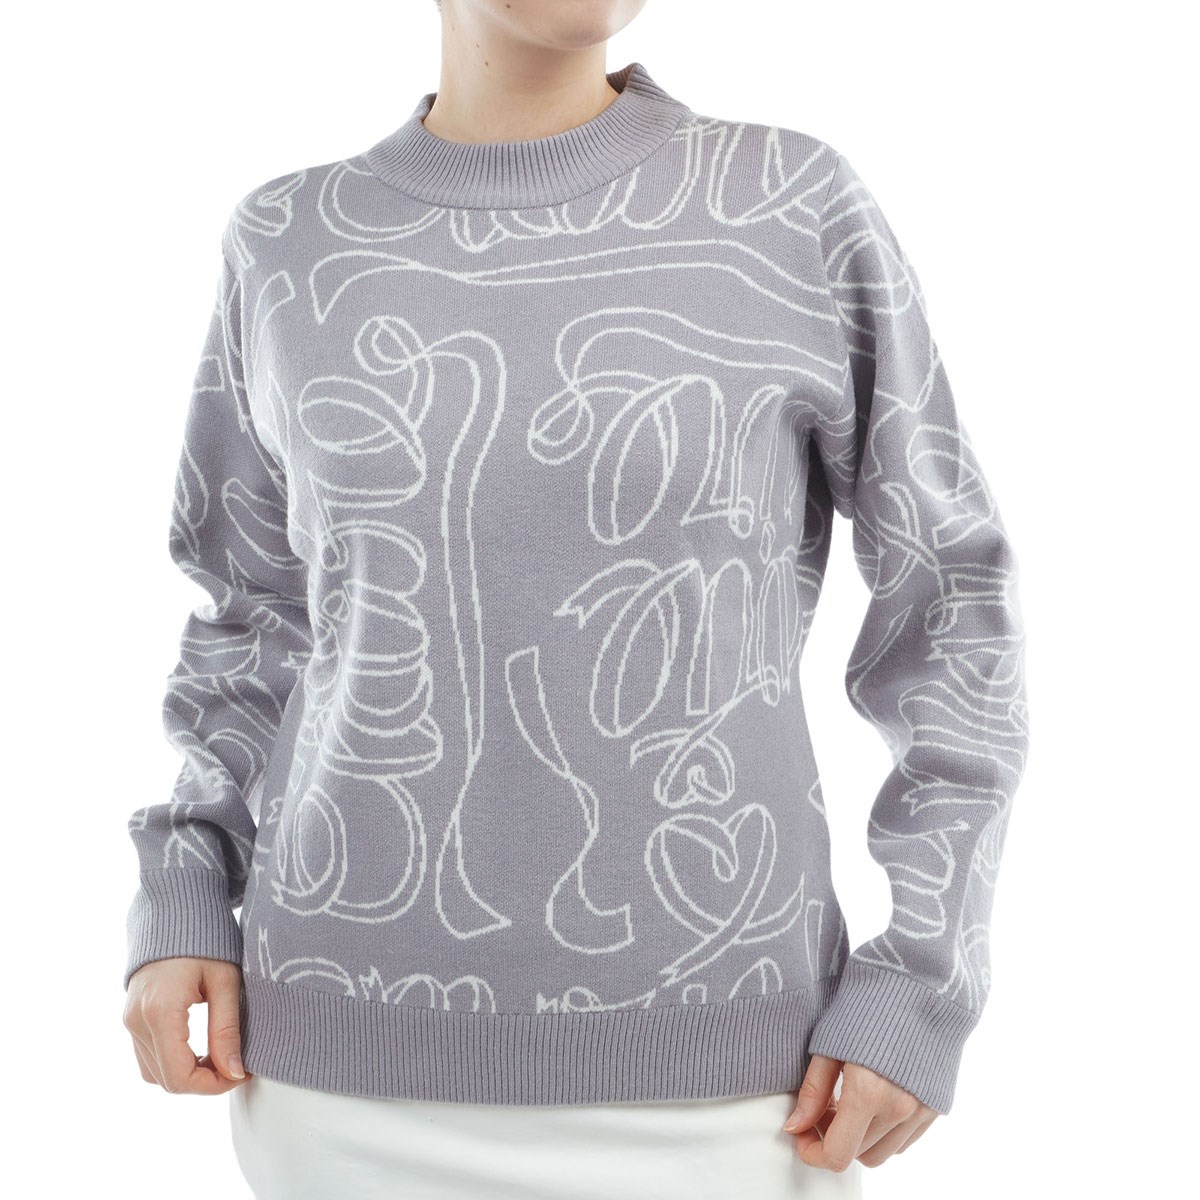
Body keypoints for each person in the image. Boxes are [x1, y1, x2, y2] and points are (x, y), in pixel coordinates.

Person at [120, 1, 1030, 1196]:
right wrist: (186, 887)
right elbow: (250, 610)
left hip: (738, 1094)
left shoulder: (789, 206)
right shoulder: (289, 240)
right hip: (335, 1079)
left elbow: (950, 598)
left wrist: (922, 978)